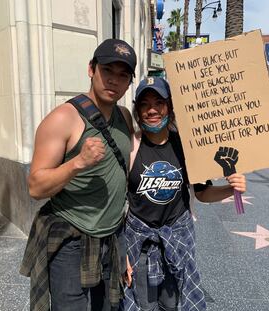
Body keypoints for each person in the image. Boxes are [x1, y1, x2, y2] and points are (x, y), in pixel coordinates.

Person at [20, 38, 137, 311]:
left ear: (129, 82)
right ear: (91, 69)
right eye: (107, 71)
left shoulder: (124, 116)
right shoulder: (64, 118)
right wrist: (77, 163)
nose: (113, 81)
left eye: (123, 75)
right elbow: (35, 187)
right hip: (71, 240)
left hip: (111, 238)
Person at [123, 77, 246, 311]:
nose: (152, 110)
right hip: (138, 244)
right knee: (142, 305)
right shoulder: (130, 146)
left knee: (172, 304)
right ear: (137, 110)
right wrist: (122, 253)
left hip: (178, 241)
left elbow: (202, 193)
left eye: (159, 102)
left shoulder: (187, 147)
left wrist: (231, 188)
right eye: (144, 104)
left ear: (169, 107)